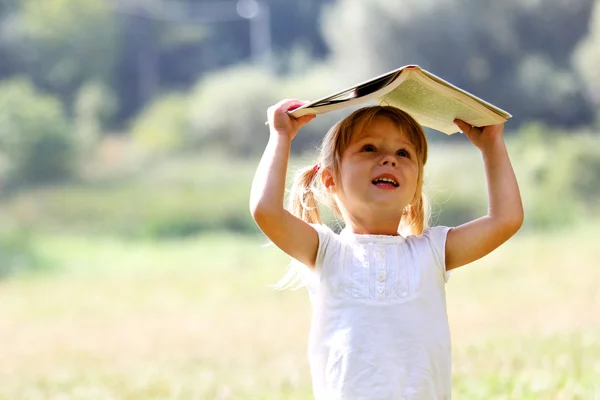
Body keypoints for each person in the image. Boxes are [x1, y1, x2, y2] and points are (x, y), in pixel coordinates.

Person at [249, 99, 524, 399]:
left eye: (403, 153)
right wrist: (280, 135)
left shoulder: (432, 251)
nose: (389, 160)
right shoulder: (326, 252)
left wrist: (491, 145)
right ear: (330, 180)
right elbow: (267, 211)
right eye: (369, 148)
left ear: (416, 186)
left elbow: (505, 219)